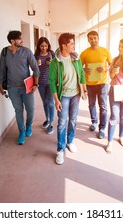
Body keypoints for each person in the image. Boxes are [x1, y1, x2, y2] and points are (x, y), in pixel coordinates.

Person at [49, 33, 87, 165]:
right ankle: (60, 149)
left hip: (76, 95)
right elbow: (52, 81)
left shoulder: (76, 59)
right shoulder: (55, 62)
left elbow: (81, 74)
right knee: (62, 123)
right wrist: (56, 99)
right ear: (64, 45)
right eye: (72, 43)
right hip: (63, 96)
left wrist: (84, 90)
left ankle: (70, 141)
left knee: (73, 120)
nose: (74, 46)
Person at [0, 30, 39, 145]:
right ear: (12, 41)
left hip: (27, 87)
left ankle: (28, 126)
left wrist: (35, 84)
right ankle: (21, 132)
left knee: (30, 110)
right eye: (20, 39)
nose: (22, 41)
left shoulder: (27, 51)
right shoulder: (4, 52)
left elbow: (35, 68)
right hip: (12, 88)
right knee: (18, 110)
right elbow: (1, 68)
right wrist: (0, 84)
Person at [80, 30, 112, 138]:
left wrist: (104, 68)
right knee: (91, 104)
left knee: (103, 106)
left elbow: (112, 66)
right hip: (89, 83)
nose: (93, 40)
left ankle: (102, 128)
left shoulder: (105, 51)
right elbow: (79, 67)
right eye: (91, 38)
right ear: (88, 40)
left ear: (98, 38)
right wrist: (84, 70)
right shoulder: (84, 53)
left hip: (102, 83)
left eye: (95, 38)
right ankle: (94, 122)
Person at [34, 37, 55, 134]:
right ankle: (47, 119)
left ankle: (51, 124)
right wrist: (36, 65)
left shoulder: (51, 53)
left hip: (51, 82)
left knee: (50, 102)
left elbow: (58, 66)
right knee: (45, 102)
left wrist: (51, 64)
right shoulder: (36, 55)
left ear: (48, 46)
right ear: (38, 46)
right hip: (41, 82)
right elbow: (34, 69)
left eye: (45, 46)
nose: (44, 48)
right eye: (42, 46)